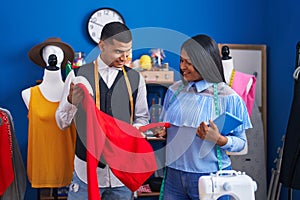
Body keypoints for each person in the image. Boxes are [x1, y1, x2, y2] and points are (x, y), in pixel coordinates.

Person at [55, 22, 150, 200]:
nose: (124, 58)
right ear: (102, 45)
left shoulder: (136, 79)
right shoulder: (77, 75)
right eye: (118, 51)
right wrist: (71, 102)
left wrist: (135, 131)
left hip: (122, 176)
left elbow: (142, 118)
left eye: (128, 51)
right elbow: (61, 122)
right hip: (86, 175)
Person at [158, 34, 252, 200]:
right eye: (181, 60)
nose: (182, 67)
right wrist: (163, 132)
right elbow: (168, 127)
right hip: (173, 175)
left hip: (210, 177)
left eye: (189, 62)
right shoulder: (174, 91)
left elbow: (242, 144)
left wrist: (219, 139)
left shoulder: (228, 97)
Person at [21, 38, 76, 189]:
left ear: (64, 58)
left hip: (70, 169)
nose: (53, 55)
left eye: (58, 51)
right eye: (49, 51)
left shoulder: (74, 93)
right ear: (43, 58)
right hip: (41, 169)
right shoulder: (28, 94)